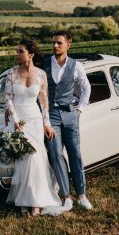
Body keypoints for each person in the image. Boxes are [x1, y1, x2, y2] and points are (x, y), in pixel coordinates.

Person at [4, 39, 64, 217]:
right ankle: (24, 201)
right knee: (24, 160)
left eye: (20, 51)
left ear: (30, 54)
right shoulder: (11, 74)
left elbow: (44, 101)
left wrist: (46, 123)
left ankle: (37, 202)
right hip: (18, 120)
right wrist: (15, 120)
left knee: (37, 159)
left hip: (35, 120)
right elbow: (8, 99)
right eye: (17, 51)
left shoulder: (41, 75)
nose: (17, 54)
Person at [44, 30, 93, 211]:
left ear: (68, 44)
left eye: (59, 43)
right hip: (51, 116)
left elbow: (86, 87)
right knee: (56, 155)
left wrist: (79, 109)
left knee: (75, 155)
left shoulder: (76, 65)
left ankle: (81, 195)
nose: (55, 46)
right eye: (53, 43)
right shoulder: (45, 64)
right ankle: (66, 197)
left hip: (70, 114)